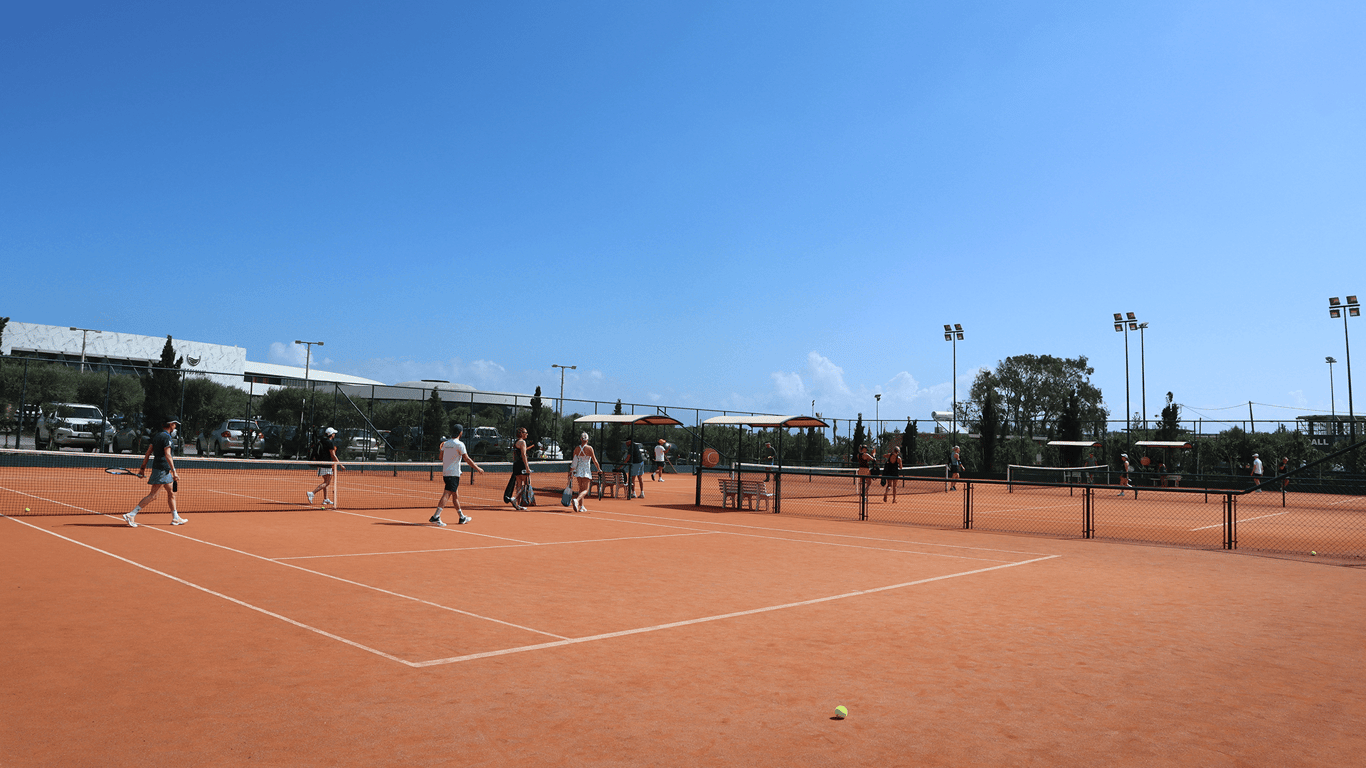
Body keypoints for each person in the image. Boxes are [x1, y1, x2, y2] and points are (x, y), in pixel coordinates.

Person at [123, 418, 186, 527]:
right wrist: (174, 471)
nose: (175, 426)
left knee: (171, 492)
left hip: (163, 470)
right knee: (153, 495)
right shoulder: (166, 437)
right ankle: (131, 514)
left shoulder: (157, 436)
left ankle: (176, 518)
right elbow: (168, 455)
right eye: (175, 424)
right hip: (162, 469)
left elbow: (148, 453)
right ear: (170, 424)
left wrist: (143, 468)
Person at [430, 424, 482, 526]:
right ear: (460, 433)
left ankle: (462, 517)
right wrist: (477, 468)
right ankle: (435, 516)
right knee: (447, 494)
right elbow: (466, 459)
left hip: (446, 473)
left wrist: (441, 449)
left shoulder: (445, 444)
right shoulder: (460, 444)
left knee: (455, 496)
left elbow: (440, 457)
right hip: (453, 474)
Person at [307, 427, 345, 506]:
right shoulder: (330, 442)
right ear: (331, 434)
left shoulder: (322, 440)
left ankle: (325, 499)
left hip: (321, 464)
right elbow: (333, 455)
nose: (334, 434)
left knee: (325, 482)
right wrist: (340, 465)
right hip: (327, 465)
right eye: (334, 433)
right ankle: (312, 493)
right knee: (327, 483)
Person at [569, 432, 602, 512]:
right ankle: (577, 500)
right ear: (587, 440)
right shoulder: (590, 448)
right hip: (586, 471)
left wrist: (572, 470)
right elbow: (595, 460)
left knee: (581, 489)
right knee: (586, 490)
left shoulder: (577, 449)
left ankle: (581, 507)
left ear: (581, 439)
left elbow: (574, 462)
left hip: (578, 470)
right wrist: (599, 469)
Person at [510, 427, 533, 510]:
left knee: (519, 485)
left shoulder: (516, 442)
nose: (527, 434)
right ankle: (515, 498)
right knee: (526, 484)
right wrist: (527, 467)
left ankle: (518, 505)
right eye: (525, 432)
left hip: (516, 465)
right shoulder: (523, 442)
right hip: (522, 465)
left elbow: (514, 455)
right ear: (522, 433)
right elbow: (523, 455)